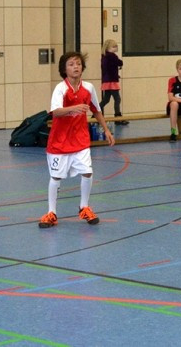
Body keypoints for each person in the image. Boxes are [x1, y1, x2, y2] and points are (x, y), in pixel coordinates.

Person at [38, 52, 115, 228]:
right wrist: (74, 108)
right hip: (60, 141)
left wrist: (106, 130)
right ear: (64, 69)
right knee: (56, 177)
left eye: (78, 64)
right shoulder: (60, 88)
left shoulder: (88, 88)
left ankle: (84, 207)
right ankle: (51, 212)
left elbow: (96, 110)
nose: (76, 67)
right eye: (71, 64)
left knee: (87, 172)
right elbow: (55, 111)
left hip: (80, 140)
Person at [99, 39, 128, 125]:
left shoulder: (104, 57)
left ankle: (95, 114)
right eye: (114, 46)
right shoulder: (112, 56)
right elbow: (120, 62)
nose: (116, 48)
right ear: (108, 48)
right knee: (117, 99)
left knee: (106, 99)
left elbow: (108, 69)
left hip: (106, 81)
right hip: (112, 81)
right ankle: (117, 118)